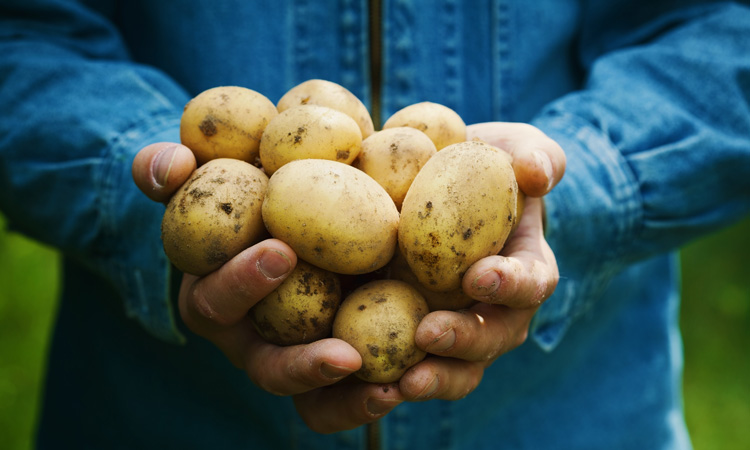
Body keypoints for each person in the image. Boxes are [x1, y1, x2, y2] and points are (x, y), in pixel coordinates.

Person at [1, 0, 749, 448]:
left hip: (574, 416)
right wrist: (151, 199)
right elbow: (23, 32)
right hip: (161, 416)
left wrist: (572, 186)